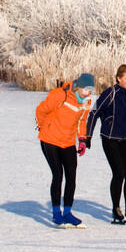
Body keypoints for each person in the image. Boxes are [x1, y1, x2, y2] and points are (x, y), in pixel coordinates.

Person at [86, 64, 126, 224]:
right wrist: (88, 135)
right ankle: (116, 209)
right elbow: (94, 113)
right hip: (110, 138)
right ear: (118, 78)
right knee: (119, 172)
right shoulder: (110, 93)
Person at [35, 72, 95, 227]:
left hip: (68, 141)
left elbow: (82, 121)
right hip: (50, 139)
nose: (87, 93)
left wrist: (82, 139)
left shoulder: (87, 101)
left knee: (71, 176)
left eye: (90, 90)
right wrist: (44, 127)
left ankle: (67, 212)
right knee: (58, 174)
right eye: (85, 90)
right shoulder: (60, 95)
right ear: (78, 86)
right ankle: (56, 213)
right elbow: (41, 110)